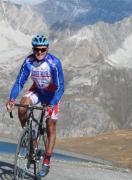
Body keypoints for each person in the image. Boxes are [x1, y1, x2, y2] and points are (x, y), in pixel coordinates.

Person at [6, 34, 64, 177]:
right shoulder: (28, 61)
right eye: (36, 49)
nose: (39, 52)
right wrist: (12, 99)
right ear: (33, 49)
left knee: (50, 125)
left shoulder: (54, 63)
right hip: (37, 91)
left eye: (42, 50)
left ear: (47, 49)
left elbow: (61, 87)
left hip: (52, 95)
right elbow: (20, 82)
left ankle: (46, 160)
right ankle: (29, 138)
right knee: (22, 107)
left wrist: (51, 104)